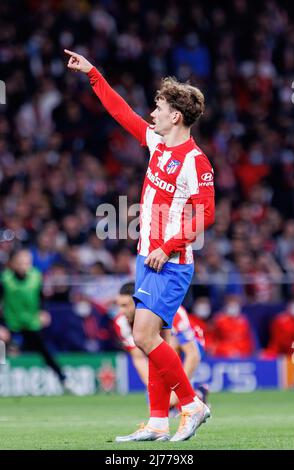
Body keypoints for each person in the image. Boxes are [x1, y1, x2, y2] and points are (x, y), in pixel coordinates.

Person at [64, 49, 215, 442]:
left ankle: (192, 405)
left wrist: (168, 246)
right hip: (146, 257)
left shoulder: (195, 162)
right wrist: (93, 73)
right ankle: (156, 422)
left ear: (176, 116)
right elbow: (120, 111)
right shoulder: (157, 144)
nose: (151, 113)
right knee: (155, 339)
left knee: (145, 336)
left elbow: (205, 215)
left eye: (159, 107)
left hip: (171, 262)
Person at [0, 249, 75, 393]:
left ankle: (64, 380)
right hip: (11, 323)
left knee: (45, 351)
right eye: (21, 261)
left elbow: (41, 297)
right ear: (13, 263)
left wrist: (43, 311)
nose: (25, 265)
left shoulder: (35, 277)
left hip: (31, 323)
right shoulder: (5, 279)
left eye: (27, 261)